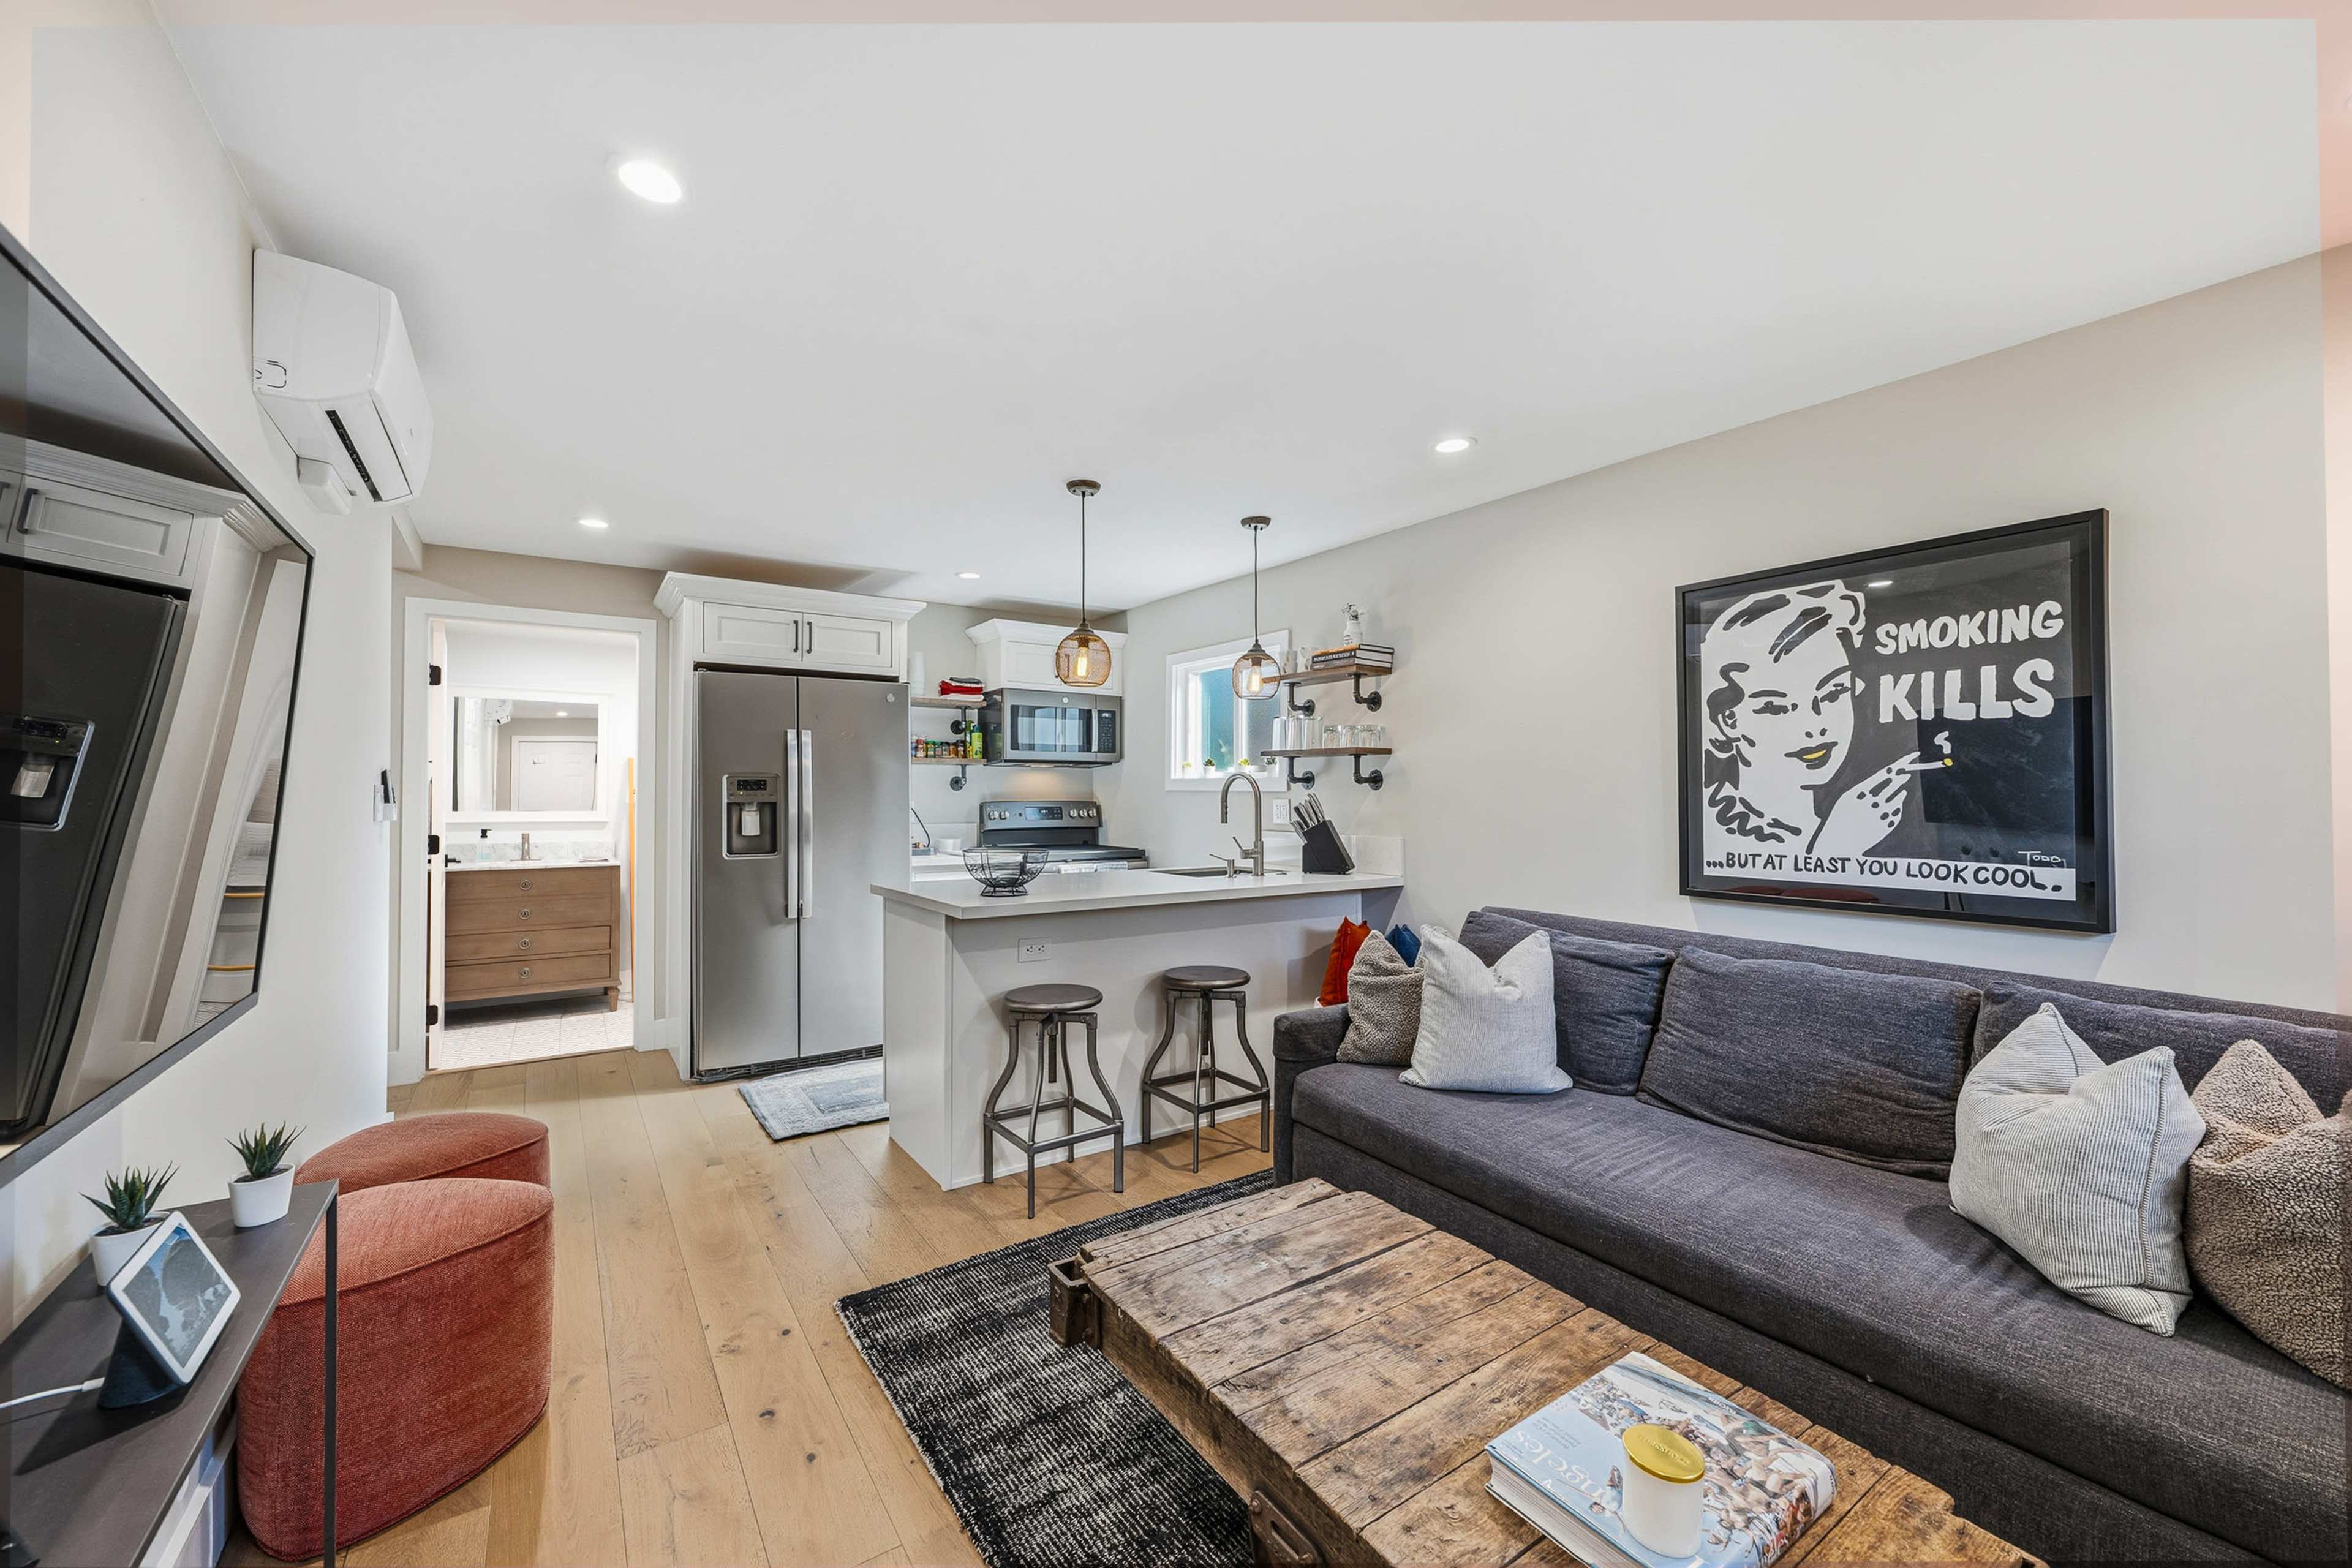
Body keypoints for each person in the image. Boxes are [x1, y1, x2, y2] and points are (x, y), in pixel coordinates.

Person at [1698, 581, 1918, 859]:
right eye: (1775, 707)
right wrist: (1838, 846)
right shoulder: (1719, 832)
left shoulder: (1846, 819)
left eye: (1834, 691)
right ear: (1729, 721)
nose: (1815, 726)